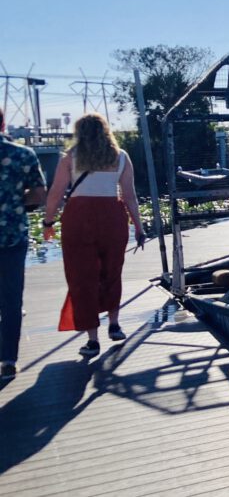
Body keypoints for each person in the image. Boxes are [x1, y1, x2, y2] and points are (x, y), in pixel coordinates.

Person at [42, 113, 145, 358]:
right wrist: (139, 227)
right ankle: (114, 324)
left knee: (82, 277)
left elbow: (56, 193)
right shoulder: (121, 157)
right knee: (112, 272)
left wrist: (48, 222)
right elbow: (129, 195)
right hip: (112, 216)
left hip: (79, 218)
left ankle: (92, 340)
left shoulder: (70, 157)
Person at [0, 108, 47, 379]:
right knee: (11, 298)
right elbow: (39, 195)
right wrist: (18, 201)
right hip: (13, 234)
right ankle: (8, 359)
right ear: (3, 123)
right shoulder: (23, 155)